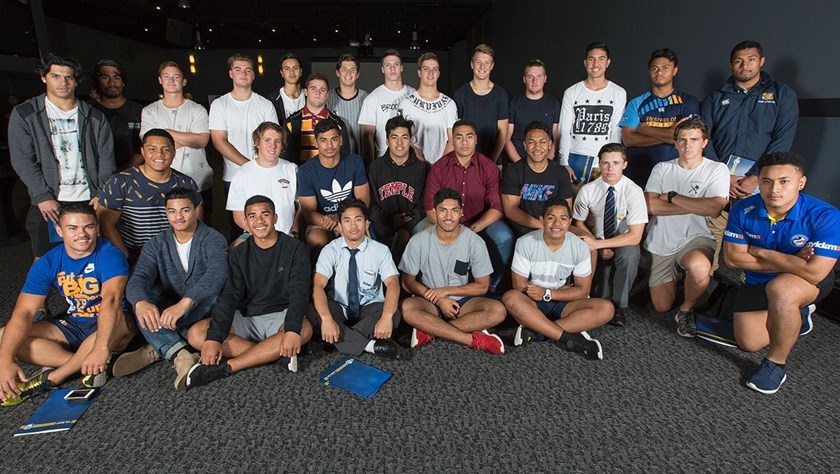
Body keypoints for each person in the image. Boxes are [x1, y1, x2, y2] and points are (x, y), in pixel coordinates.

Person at [723, 152, 840, 394]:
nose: (774, 189)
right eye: (767, 181)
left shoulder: (826, 216)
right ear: (759, 182)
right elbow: (733, 259)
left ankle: (775, 364)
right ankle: (798, 314)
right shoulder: (743, 209)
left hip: (803, 281)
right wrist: (793, 260)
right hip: (758, 277)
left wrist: (762, 252)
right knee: (748, 342)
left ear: (801, 183)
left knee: (781, 291)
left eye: (784, 181)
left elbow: (814, 272)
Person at [0, 203, 134, 405]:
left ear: (96, 228)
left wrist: (100, 348)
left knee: (113, 327)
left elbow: (112, 301)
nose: (82, 234)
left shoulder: (110, 254)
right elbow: (24, 313)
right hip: (75, 323)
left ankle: (53, 378)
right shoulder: (48, 262)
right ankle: (88, 364)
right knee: (5, 337)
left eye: (88, 227)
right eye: (73, 228)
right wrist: (5, 361)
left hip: (114, 321)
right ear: (59, 231)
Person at [185, 195, 313, 388]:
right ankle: (272, 355)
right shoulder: (238, 253)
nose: (259, 221)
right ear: (245, 222)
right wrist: (213, 338)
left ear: (275, 217)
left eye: (265, 214)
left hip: (281, 316)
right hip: (247, 317)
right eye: (252, 216)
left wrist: (292, 329)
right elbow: (229, 297)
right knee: (196, 333)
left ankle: (229, 367)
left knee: (304, 329)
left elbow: (299, 292)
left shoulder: (295, 248)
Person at [116, 188, 228, 390]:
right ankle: (181, 353)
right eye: (172, 211)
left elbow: (216, 274)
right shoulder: (156, 243)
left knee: (212, 295)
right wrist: (141, 302)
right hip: (171, 307)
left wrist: (185, 303)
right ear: (166, 213)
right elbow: (139, 277)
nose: (178, 217)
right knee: (140, 299)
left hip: (202, 307)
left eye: (185, 210)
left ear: (196, 210)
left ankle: (159, 347)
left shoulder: (213, 238)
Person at [701, 40, 799, 273]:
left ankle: (755, 284)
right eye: (738, 61)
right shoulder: (716, 97)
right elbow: (702, 136)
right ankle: (708, 281)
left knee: (760, 239)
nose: (745, 65)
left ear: (761, 61)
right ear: (731, 65)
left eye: (751, 60)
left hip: (761, 182)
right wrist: (722, 175)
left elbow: (782, 140)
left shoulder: (781, 94)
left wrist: (757, 176)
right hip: (718, 178)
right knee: (709, 236)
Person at [9, 53, 115, 260]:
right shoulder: (26, 114)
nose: (63, 82)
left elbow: (106, 159)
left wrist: (102, 193)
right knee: (45, 259)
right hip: (49, 201)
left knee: (90, 255)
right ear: (44, 77)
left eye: (68, 77)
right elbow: (22, 160)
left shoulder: (94, 116)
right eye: (56, 76)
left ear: (76, 81)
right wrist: (42, 196)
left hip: (89, 198)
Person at [644, 119, 729, 336]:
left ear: (704, 142)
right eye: (682, 140)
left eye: (694, 140)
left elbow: (714, 208)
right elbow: (650, 206)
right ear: (675, 143)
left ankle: (686, 310)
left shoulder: (717, 169)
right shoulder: (662, 168)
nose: (687, 145)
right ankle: (681, 277)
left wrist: (672, 197)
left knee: (699, 268)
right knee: (661, 306)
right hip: (661, 239)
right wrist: (695, 205)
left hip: (697, 237)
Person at [502, 197, 613, 359]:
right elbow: (519, 287)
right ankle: (569, 339)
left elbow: (583, 291)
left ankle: (538, 331)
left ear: (569, 222)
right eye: (551, 218)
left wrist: (548, 293)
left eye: (563, 218)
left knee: (607, 309)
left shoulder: (580, 247)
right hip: (532, 301)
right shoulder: (525, 243)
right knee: (511, 298)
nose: (557, 223)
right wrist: (541, 294)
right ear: (542, 220)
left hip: (561, 300)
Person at [399, 188, 506, 355]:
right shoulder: (418, 241)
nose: (448, 216)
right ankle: (472, 340)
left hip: (463, 302)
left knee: (498, 311)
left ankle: (431, 330)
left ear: (461, 213)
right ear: (434, 212)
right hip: (430, 300)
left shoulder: (475, 241)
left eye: (454, 211)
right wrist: (438, 299)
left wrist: (446, 291)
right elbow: (407, 282)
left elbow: (482, 286)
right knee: (406, 307)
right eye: (443, 210)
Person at [307, 199, 401, 359]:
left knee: (394, 314)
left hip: (369, 306)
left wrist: (386, 317)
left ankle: (335, 340)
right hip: (339, 305)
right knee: (312, 312)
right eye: (347, 221)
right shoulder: (330, 250)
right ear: (340, 225)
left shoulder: (380, 250)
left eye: (358, 219)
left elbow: (393, 284)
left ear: (367, 223)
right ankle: (370, 346)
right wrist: (327, 319)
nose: (353, 225)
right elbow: (318, 285)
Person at [425, 120, 513, 291]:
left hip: (478, 222)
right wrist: (451, 229)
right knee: (422, 236)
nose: (464, 142)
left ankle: (491, 284)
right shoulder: (439, 168)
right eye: (459, 137)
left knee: (504, 236)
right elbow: (430, 209)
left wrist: (472, 229)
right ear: (452, 140)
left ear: (476, 139)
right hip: (446, 221)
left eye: (469, 137)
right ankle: (433, 285)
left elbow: (497, 207)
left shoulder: (489, 167)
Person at [97, 129, 202, 264]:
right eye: (152, 149)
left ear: (174, 152)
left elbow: (196, 224)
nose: (159, 154)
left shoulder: (186, 183)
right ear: (142, 151)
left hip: (174, 256)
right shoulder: (120, 182)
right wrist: (126, 259)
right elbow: (106, 224)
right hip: (131, 254)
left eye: (166, 149)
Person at [573, 143, 648, 327]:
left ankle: (619, 305)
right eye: (605, 163)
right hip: (596, 238)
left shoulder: (634, 191)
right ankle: (593, 297)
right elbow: (578, 223)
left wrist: (601, 245)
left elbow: (635, 236)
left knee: (629, 256)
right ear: (599, 164)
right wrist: (597, 244)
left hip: (623, 241)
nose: (610, 168)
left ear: (624, 164)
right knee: (600, 293)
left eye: (615, 163)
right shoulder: (588, 190)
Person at [209, 53, 278, 240]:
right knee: (239, 228)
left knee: (267, 225)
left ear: (253, 75)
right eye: (238, 70)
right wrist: (250, 166)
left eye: (248, 70)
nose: (243, 74)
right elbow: (219, 141)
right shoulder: (220, 105)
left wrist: (258, 169)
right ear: (230, 73)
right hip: (234, 176)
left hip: (264, 176)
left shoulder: (265, 105)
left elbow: (272, 139)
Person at [140, 61, 213, 218]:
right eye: (166, 76)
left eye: (176, 76)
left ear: (184, 81)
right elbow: (149, 144)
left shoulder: (197, 109)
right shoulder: (149, 111)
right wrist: (188, 136)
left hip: (198, 179)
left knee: (201, 225)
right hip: (161, 182)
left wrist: (165, 134)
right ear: (160, 80)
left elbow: (201, 140)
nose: (171, 80)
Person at [619, 48, 699, 187]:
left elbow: (689, 136)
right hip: (640, 172)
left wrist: (647, 130)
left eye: (665, 68)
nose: (659, 72)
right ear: (649, 72)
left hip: (679, 172)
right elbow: (628, 139)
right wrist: (671, 135)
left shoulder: (687, 101)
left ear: (674, 70)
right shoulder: (636, 103)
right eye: (655, 68)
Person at [298, 119, 370, 259]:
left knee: (362, 241)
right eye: (323, 140)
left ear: (341, 140)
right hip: (322, 221)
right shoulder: (306, 171)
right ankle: (317, 273)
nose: (329, 145)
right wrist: (334, 224)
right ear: (315, 143)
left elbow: (364, 199)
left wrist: (342, 219)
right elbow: (308, 212)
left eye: (334, 139)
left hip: (351, 217)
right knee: (317, 240)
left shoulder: (354, 161)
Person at [558, 42, 626, 184]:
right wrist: (564, 161)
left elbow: (616, 130)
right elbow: (564, 129)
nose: (596, 64)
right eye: (591, 59)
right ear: (585, 62)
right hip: (575, 159)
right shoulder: (571, 92)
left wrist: (613, 161)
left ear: (608, 62)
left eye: (601, 59)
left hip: (602, 162)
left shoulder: (618, 92)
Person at [227, 122, 301, 237]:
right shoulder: (242, 174)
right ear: (257, 143)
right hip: (254, 235)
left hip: (287, 236)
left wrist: (294, 232)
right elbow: (238, 214)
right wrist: (260, 234)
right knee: (235, 246)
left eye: (277, 141)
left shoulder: (292, 169)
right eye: (267, 140)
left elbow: (302, 206)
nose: (273, 145)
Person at [501, 121, 573, 237]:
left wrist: (551, 227)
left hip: (554, 228)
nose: (537, 147)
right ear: (525, 145)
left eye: (542, 142)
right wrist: (543, 226)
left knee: (586, 239)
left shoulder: (561, 173)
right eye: (531, 142)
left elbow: (566, 209)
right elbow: (511, 211)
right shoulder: (513, 171)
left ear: (549, 144)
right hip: (523, 229)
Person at [368, 115, 428, 250]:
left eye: (404, 137)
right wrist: (389, 221)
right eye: (394, 137)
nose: (399, 143)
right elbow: (370, 203)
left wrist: (406, 228)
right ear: (387, 141)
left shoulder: (422, 169)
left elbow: (423, 205)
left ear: (411, 140)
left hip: (412, 225)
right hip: (382, 225)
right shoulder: (375, 167)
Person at [358, 50, 417, 166]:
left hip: (411, 158)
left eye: (396, 64)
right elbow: (368, 136)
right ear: (382, 69)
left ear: (401, 67)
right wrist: (370, 165)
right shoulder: (372, 98)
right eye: (388, 65)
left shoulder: (414, 94)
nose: (392, 68)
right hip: (384, 160)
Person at [453, 44, 509, 164]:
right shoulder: (460, 94)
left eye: (486, 63)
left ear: (492, 66)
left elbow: (503, 132)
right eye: (478, 62)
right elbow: (457, 131)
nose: (482, 67)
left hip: (493, 161)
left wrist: (490, 163)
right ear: (472, 64)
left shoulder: (501, 94)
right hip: (465, 162)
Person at [398, 52, 457, 164]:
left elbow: (452, 139)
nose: (431, 73)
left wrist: (439, 166)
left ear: (439, 73)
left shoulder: (449, 104)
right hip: (414, 164)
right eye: (426, 69)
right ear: (419, 72)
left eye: (435, 69)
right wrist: (423, 163)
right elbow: (404, 139)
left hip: (442, 166)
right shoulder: (406, 104)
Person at [284, 72, 350, 164]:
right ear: (305, 92)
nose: (317, 93)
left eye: (322, 90)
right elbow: (285, 157)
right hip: (299, 171)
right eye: (313, 88)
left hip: (330, 171)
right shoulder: (291, 122)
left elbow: (345, 157)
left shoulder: (338, 124)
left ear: (327, 95)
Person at [90, 59, 144, 171]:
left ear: (123, 82)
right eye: (105, 77)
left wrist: (120, 173)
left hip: (132, 175)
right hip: (96, 175)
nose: (112, 83)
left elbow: (146, 148)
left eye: (117, 78)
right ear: (97, 81)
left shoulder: (140, 111)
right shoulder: (87, 111)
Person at [505, 59, 560, 164]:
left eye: (539, 76)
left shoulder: (553, 103)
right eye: (530, 77)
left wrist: (546, 163)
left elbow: (556, 138)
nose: (535, 81)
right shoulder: (514, 102)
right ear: (524, 79)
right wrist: (519, 164)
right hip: (518, 162)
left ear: (545, 79)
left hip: (546, 163)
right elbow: (506, 138)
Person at [326, 53, 368, 156]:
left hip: (360, 158)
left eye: (352, 69)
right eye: (344, 69)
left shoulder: (367, 98)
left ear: (357, 74)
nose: (348, 73)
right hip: (335, 158)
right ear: (337, 73)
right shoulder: (327, 98)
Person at [269, 52, 305, 123]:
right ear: (282, 73)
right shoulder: (272, 101)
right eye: (287, 69)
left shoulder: (310, 96)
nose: (292, 72)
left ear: (301, 71)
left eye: (295, 68)